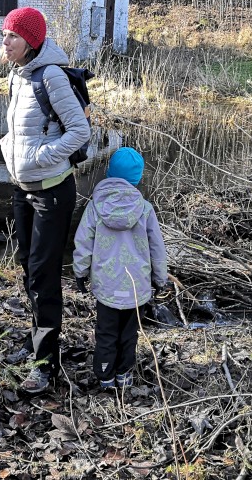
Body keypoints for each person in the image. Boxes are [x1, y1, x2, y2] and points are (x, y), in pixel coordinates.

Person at [0, 6, 90, 394]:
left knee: (43, 274)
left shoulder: (50, 76)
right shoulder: (17, 75)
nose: (5, 42)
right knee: (27, 266)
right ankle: (36, 338)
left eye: (13, 36)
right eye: (4, 34)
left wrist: (41, 157)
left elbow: (80, 131)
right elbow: (21, 130)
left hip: (52, 190)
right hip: (23, 188)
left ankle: (45, 365)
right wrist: (10, 150)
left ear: (31, 41)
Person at [72, 147, 168, 389]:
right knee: (129, 333)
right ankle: (124, 375)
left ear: (110, 172)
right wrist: (160, 279)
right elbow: (157, 248)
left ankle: (105, 376)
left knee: (106, 332)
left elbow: (83, 241)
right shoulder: (145, 208)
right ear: (137, 178)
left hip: (107, 284)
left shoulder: (95, 206)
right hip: (136, 286)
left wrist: (80, 272)